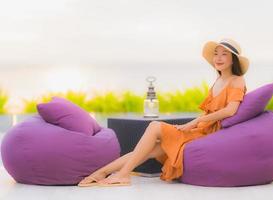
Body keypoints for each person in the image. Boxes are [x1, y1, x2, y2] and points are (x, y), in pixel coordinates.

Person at [78, 38, 249, 187]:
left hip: (209, 132)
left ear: (233, 59)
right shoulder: (219, 80)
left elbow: (230, 110)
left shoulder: (237, 80)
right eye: (216, 53)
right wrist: (194, 123)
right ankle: (102, 172)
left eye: (224, 54)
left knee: (154, 126)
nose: (218, 58)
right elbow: (208, 112)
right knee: (149, 149)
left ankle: (122, 175)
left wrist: (194, 122)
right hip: (201, 128)